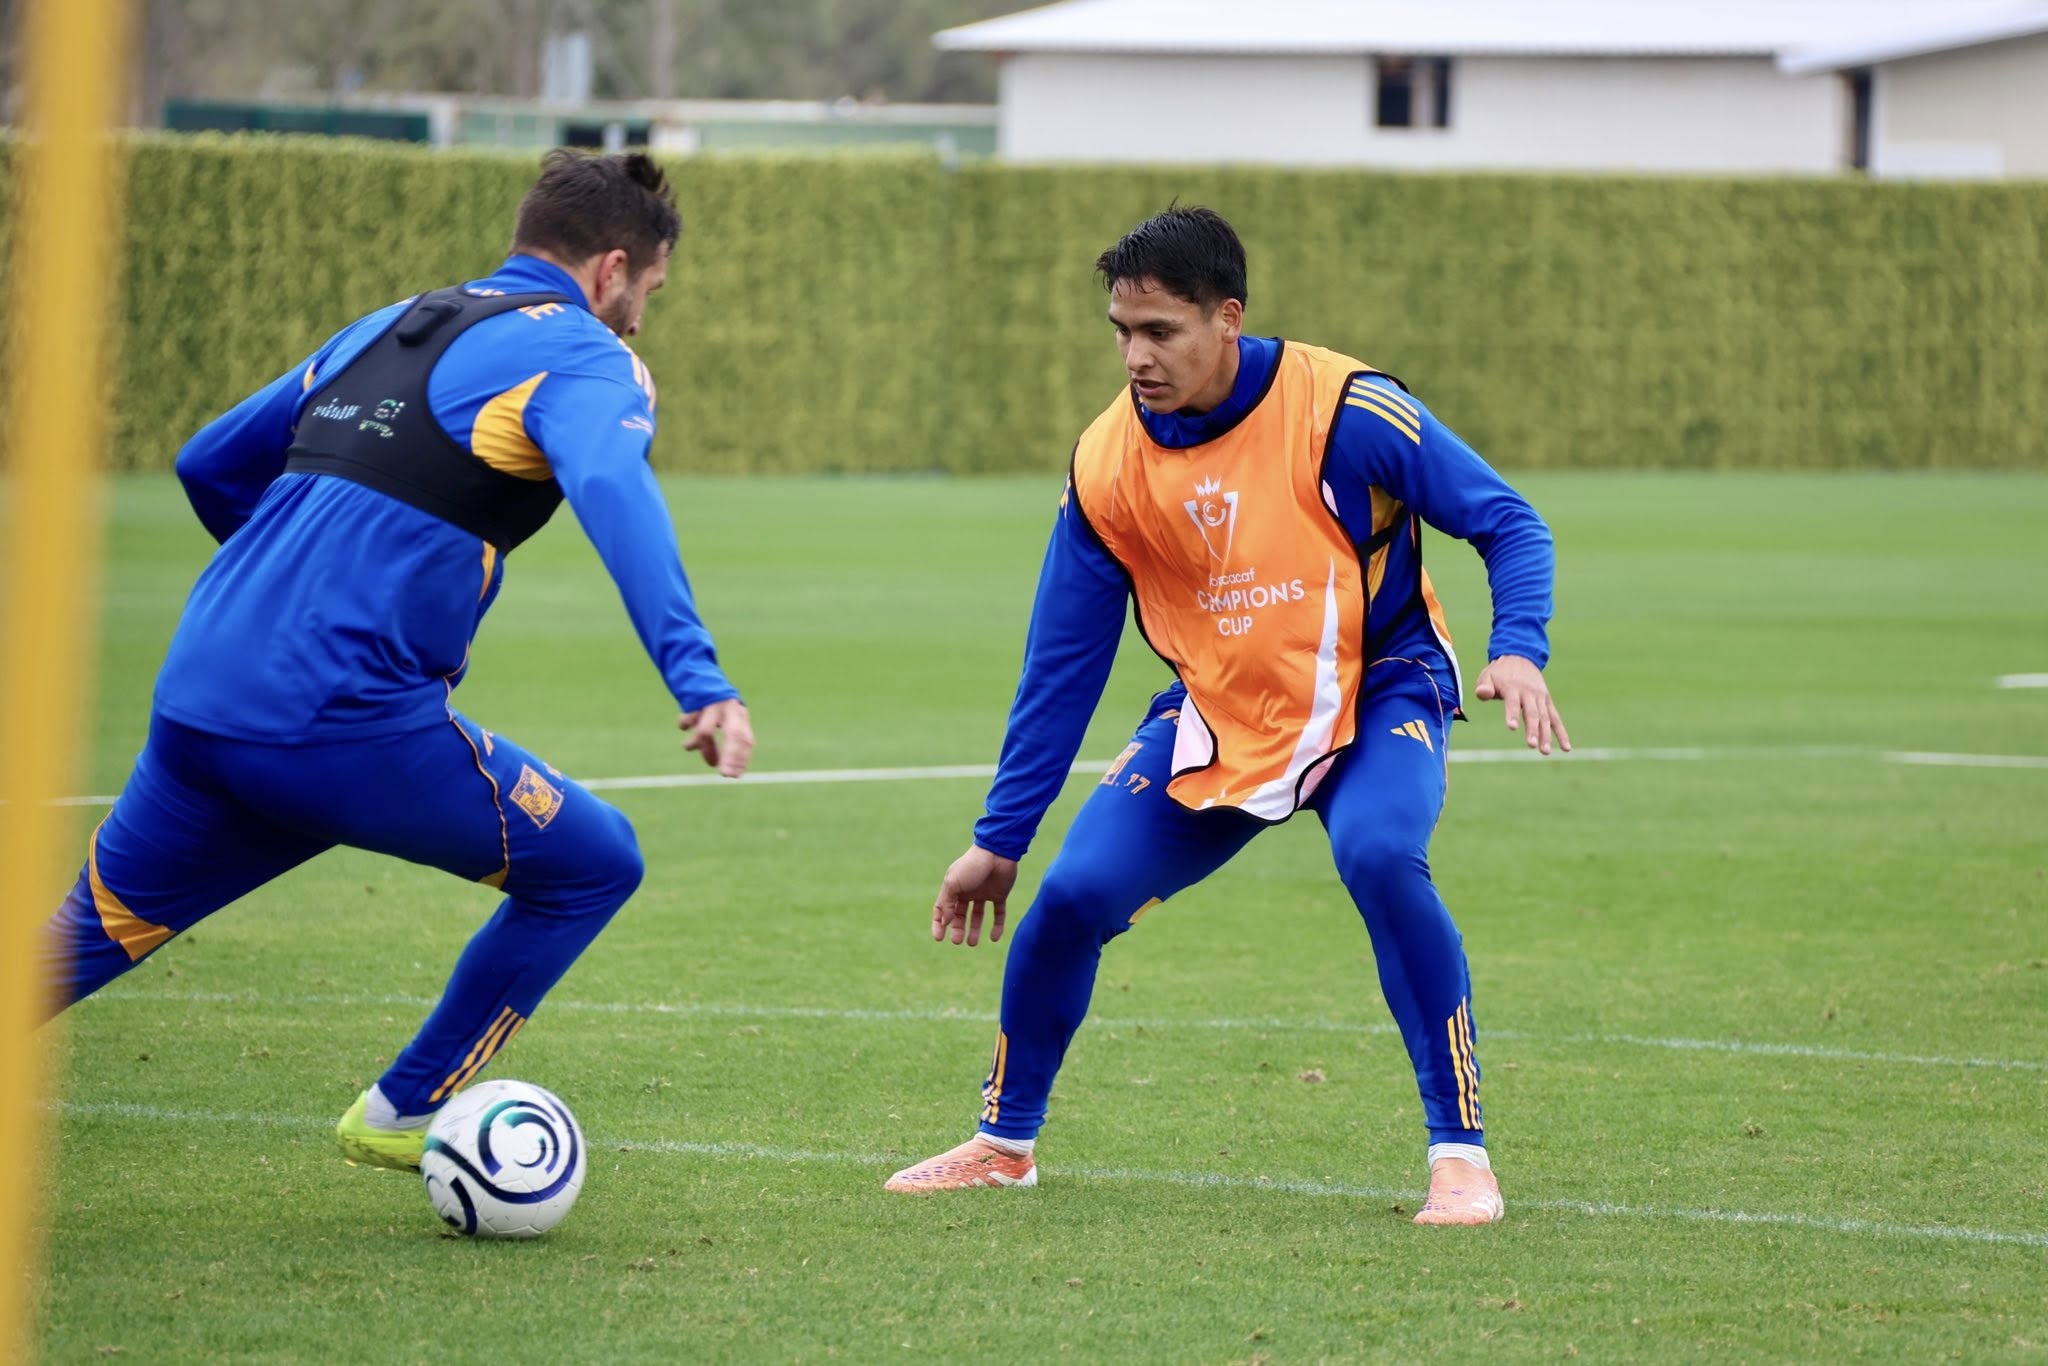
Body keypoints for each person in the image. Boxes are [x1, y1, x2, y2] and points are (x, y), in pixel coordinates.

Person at [37, 150, 753, 1172]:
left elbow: (207, 461)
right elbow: (611, 485)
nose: (640, 319)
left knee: (81, 940)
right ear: (610, 271)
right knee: (594, 865)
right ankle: (404, 1110)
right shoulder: (588, 357)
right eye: (649, 290)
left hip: (203, 694)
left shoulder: (388, 325)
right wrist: (699, 675)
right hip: (341, 722)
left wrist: (292, 603)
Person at [885, 207, 1566, 1224]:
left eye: (1159, 331)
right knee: (1068, 897)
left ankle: (1460, 1154)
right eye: (1121, 331)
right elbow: (1061, 663)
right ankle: (1002, 1143)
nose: (1135, 356)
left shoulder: (1344, 408)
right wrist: (999, 839)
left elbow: (1507, 520)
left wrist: (1517, 646)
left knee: (1381, 855)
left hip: (1378, 686)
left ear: (1227, 319)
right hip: (1223, 707)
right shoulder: (1106, 463)